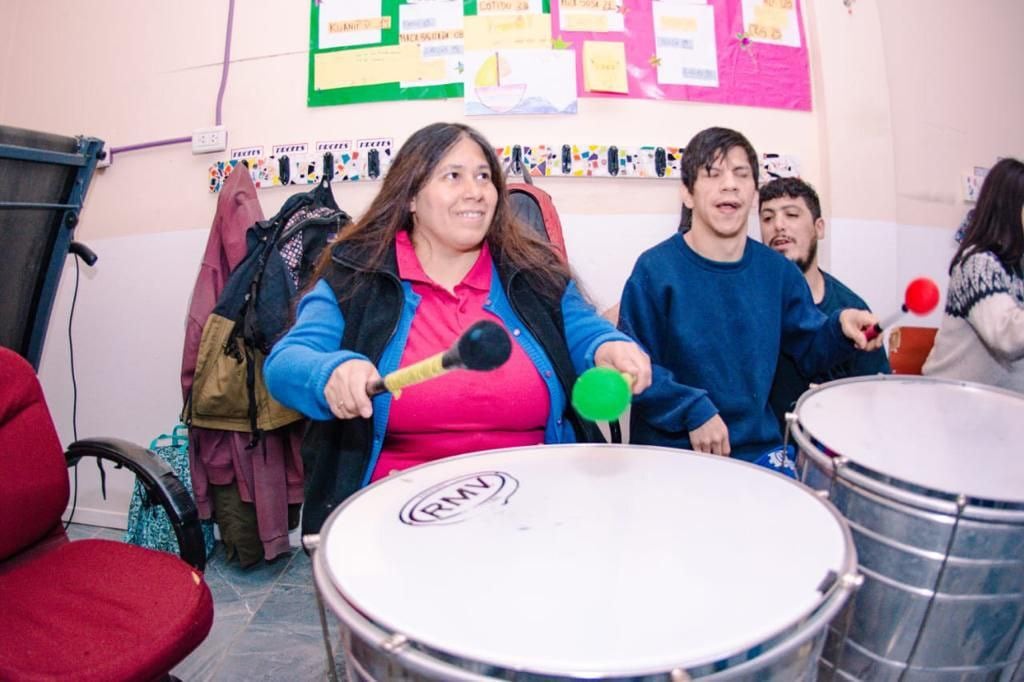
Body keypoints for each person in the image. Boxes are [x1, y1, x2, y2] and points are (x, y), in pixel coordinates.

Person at [265, 122, 651, 534]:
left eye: (484, 176)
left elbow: (581, 329)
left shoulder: (534, 273)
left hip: (540, 511)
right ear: (411, 195)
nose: (476, 191)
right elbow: (285, 363)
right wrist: (330, 372)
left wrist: (608, 346)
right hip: (400, 519)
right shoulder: (355, 275)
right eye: (453, 176)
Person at [617, 127, 882, 469]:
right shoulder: (654, 269)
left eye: (741, 175)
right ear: (687, 193)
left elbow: (810, 348)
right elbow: (632, 366)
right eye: (713, 174)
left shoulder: (778, 272)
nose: (729, 184)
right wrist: (692, 410)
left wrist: (840, 327)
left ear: (753, 193)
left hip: (758, 451)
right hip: (672, 455)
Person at [758, 177, 890, 430]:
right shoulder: (752, 301)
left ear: (819, 228)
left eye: (792, 214)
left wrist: (841, 403)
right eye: (767, 218)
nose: (778, 226)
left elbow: (876, 399)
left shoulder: (852, 309)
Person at [923, 158, 1024, 392]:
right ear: (1010, 208)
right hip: (952, 403)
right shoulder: (978, 263)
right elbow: (1005, 335)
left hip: (1001, 408)